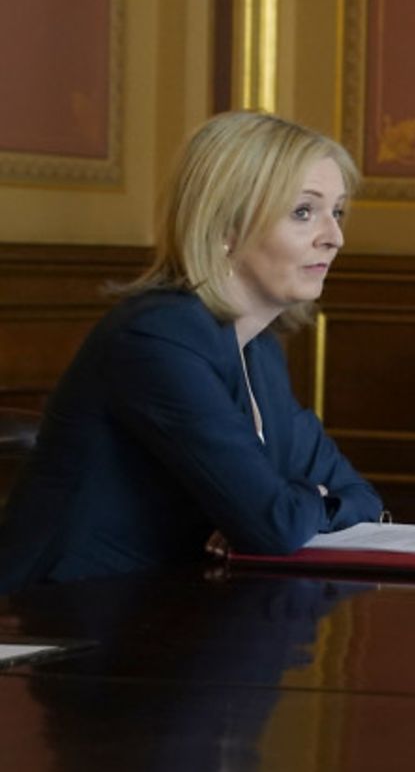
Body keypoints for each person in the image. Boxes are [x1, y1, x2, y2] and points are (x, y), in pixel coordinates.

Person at [0, 111, 384, 593]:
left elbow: (361, 498)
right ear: (226, 226)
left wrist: (294, 504)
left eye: (338, 211)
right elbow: (275, 526)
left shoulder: (258, 348)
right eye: (304, 212)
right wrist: (294, 505)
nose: (334, 236)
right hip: (58, 623)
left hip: (164, 611)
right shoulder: (158, 337)